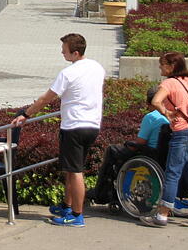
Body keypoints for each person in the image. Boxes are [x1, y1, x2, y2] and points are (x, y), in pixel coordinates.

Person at [12, 33, 105, 227]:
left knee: (76, 171)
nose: (62, 53)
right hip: (92, 125)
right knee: (71, 169)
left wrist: (26, 114)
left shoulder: (67, 73)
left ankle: (77, 215)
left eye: (65, 51)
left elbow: (45, 99)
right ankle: (67, 206)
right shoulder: (97, 67)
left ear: (75, 53)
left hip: (74, 126)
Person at [141, 52, 188, 227]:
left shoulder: (169, 83)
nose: (160, 68)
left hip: (181, 132)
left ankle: (162, 215)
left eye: (162, 64)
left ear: (172, 66)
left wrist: (167, 113)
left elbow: (156, 101)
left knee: (172, 172)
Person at [88, 86, 168, 207]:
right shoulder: (168, 117)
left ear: (149, 103)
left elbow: (140, 143)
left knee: (112, 151)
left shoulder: (151, 117)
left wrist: (128, 145)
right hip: (161, 156)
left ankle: (101, 193)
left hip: (149, 155)